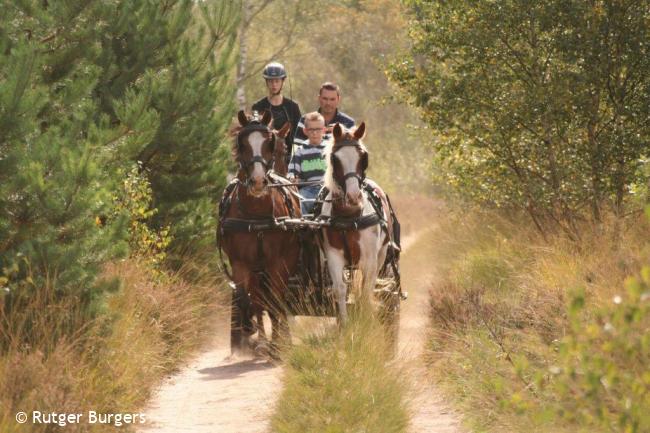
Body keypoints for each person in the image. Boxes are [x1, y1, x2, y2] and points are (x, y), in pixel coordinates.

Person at [251, 62, 302, 165]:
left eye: (277, 81)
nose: (274, 85)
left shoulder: (293, 107)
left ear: (283, 81)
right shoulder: (257, 107)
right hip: (264, 161)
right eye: (270, 81)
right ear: (266, 82)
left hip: (289, 161)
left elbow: (300, 136)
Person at [293, 82, 354, 152]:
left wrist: (342, 132)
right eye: (325, 99)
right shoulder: (305, 120)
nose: (328, 103)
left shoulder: (348, 122)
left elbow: (353, 151)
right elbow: (296, 149)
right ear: (319, 98)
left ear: (338, 99)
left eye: (332, 99)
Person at [288, 112, 328, 215]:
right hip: (308, 189)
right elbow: (292, 171)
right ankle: (304, 226)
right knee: (300, 202)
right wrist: (292, 177)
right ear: (305, 131)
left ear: (324, 130)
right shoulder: (300, 151)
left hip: (327, 188)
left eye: (318, 129)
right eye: (311, 130)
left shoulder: (329, 149)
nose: (315, 133)